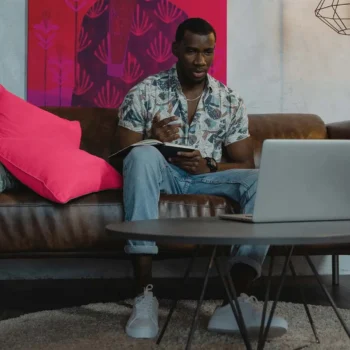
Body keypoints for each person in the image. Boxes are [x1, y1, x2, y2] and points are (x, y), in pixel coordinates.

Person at [116, 18, 288, 340]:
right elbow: (124, 157)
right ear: (175, 49)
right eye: (192, 51)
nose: (200, 61)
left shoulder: (229, 100)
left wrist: (209, 165)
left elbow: (244, 163)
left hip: (205, 179)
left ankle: (233, 301)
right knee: (141, 155)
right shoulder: (145, 93)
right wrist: (150, 139)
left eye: (208, 52)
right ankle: (144, 295)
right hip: (162, 174)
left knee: (262, 180)